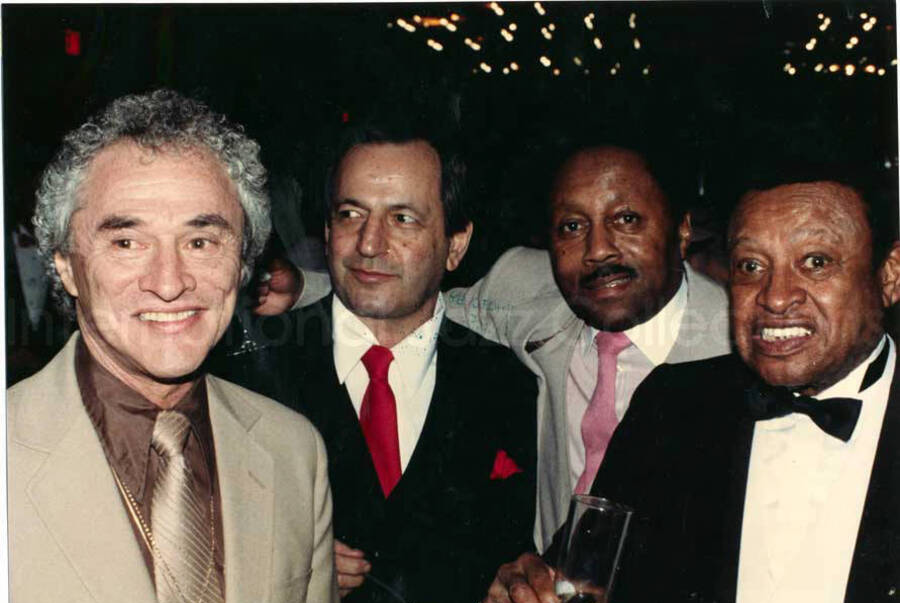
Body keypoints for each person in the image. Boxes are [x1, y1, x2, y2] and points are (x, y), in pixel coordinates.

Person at [479, 165, 900, 603]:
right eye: (751, 266)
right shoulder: (674, 406)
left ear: (888, 276)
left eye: (815, 262)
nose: (776, 297)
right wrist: (525, 594)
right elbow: (573, 582)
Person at [258, 143, 732, 551]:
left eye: (626, 219)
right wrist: (304, 288)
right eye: (571, 226)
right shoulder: (525, 292)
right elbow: (415, 297)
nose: (598, 250)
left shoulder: (738, 349)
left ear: (683, 230)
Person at [7, 90, 344, 603]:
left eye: (201, 240)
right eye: (127, 241)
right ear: (65, 264)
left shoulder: (293, 453)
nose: (169, 281)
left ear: (243, 262)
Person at [212, 119, 538, 603]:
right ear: (325, 231)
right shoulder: (250, 373)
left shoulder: (509, 385)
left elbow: (519, 567)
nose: (368, 244)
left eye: (403, 218)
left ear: (455, 245)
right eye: (350, 214)